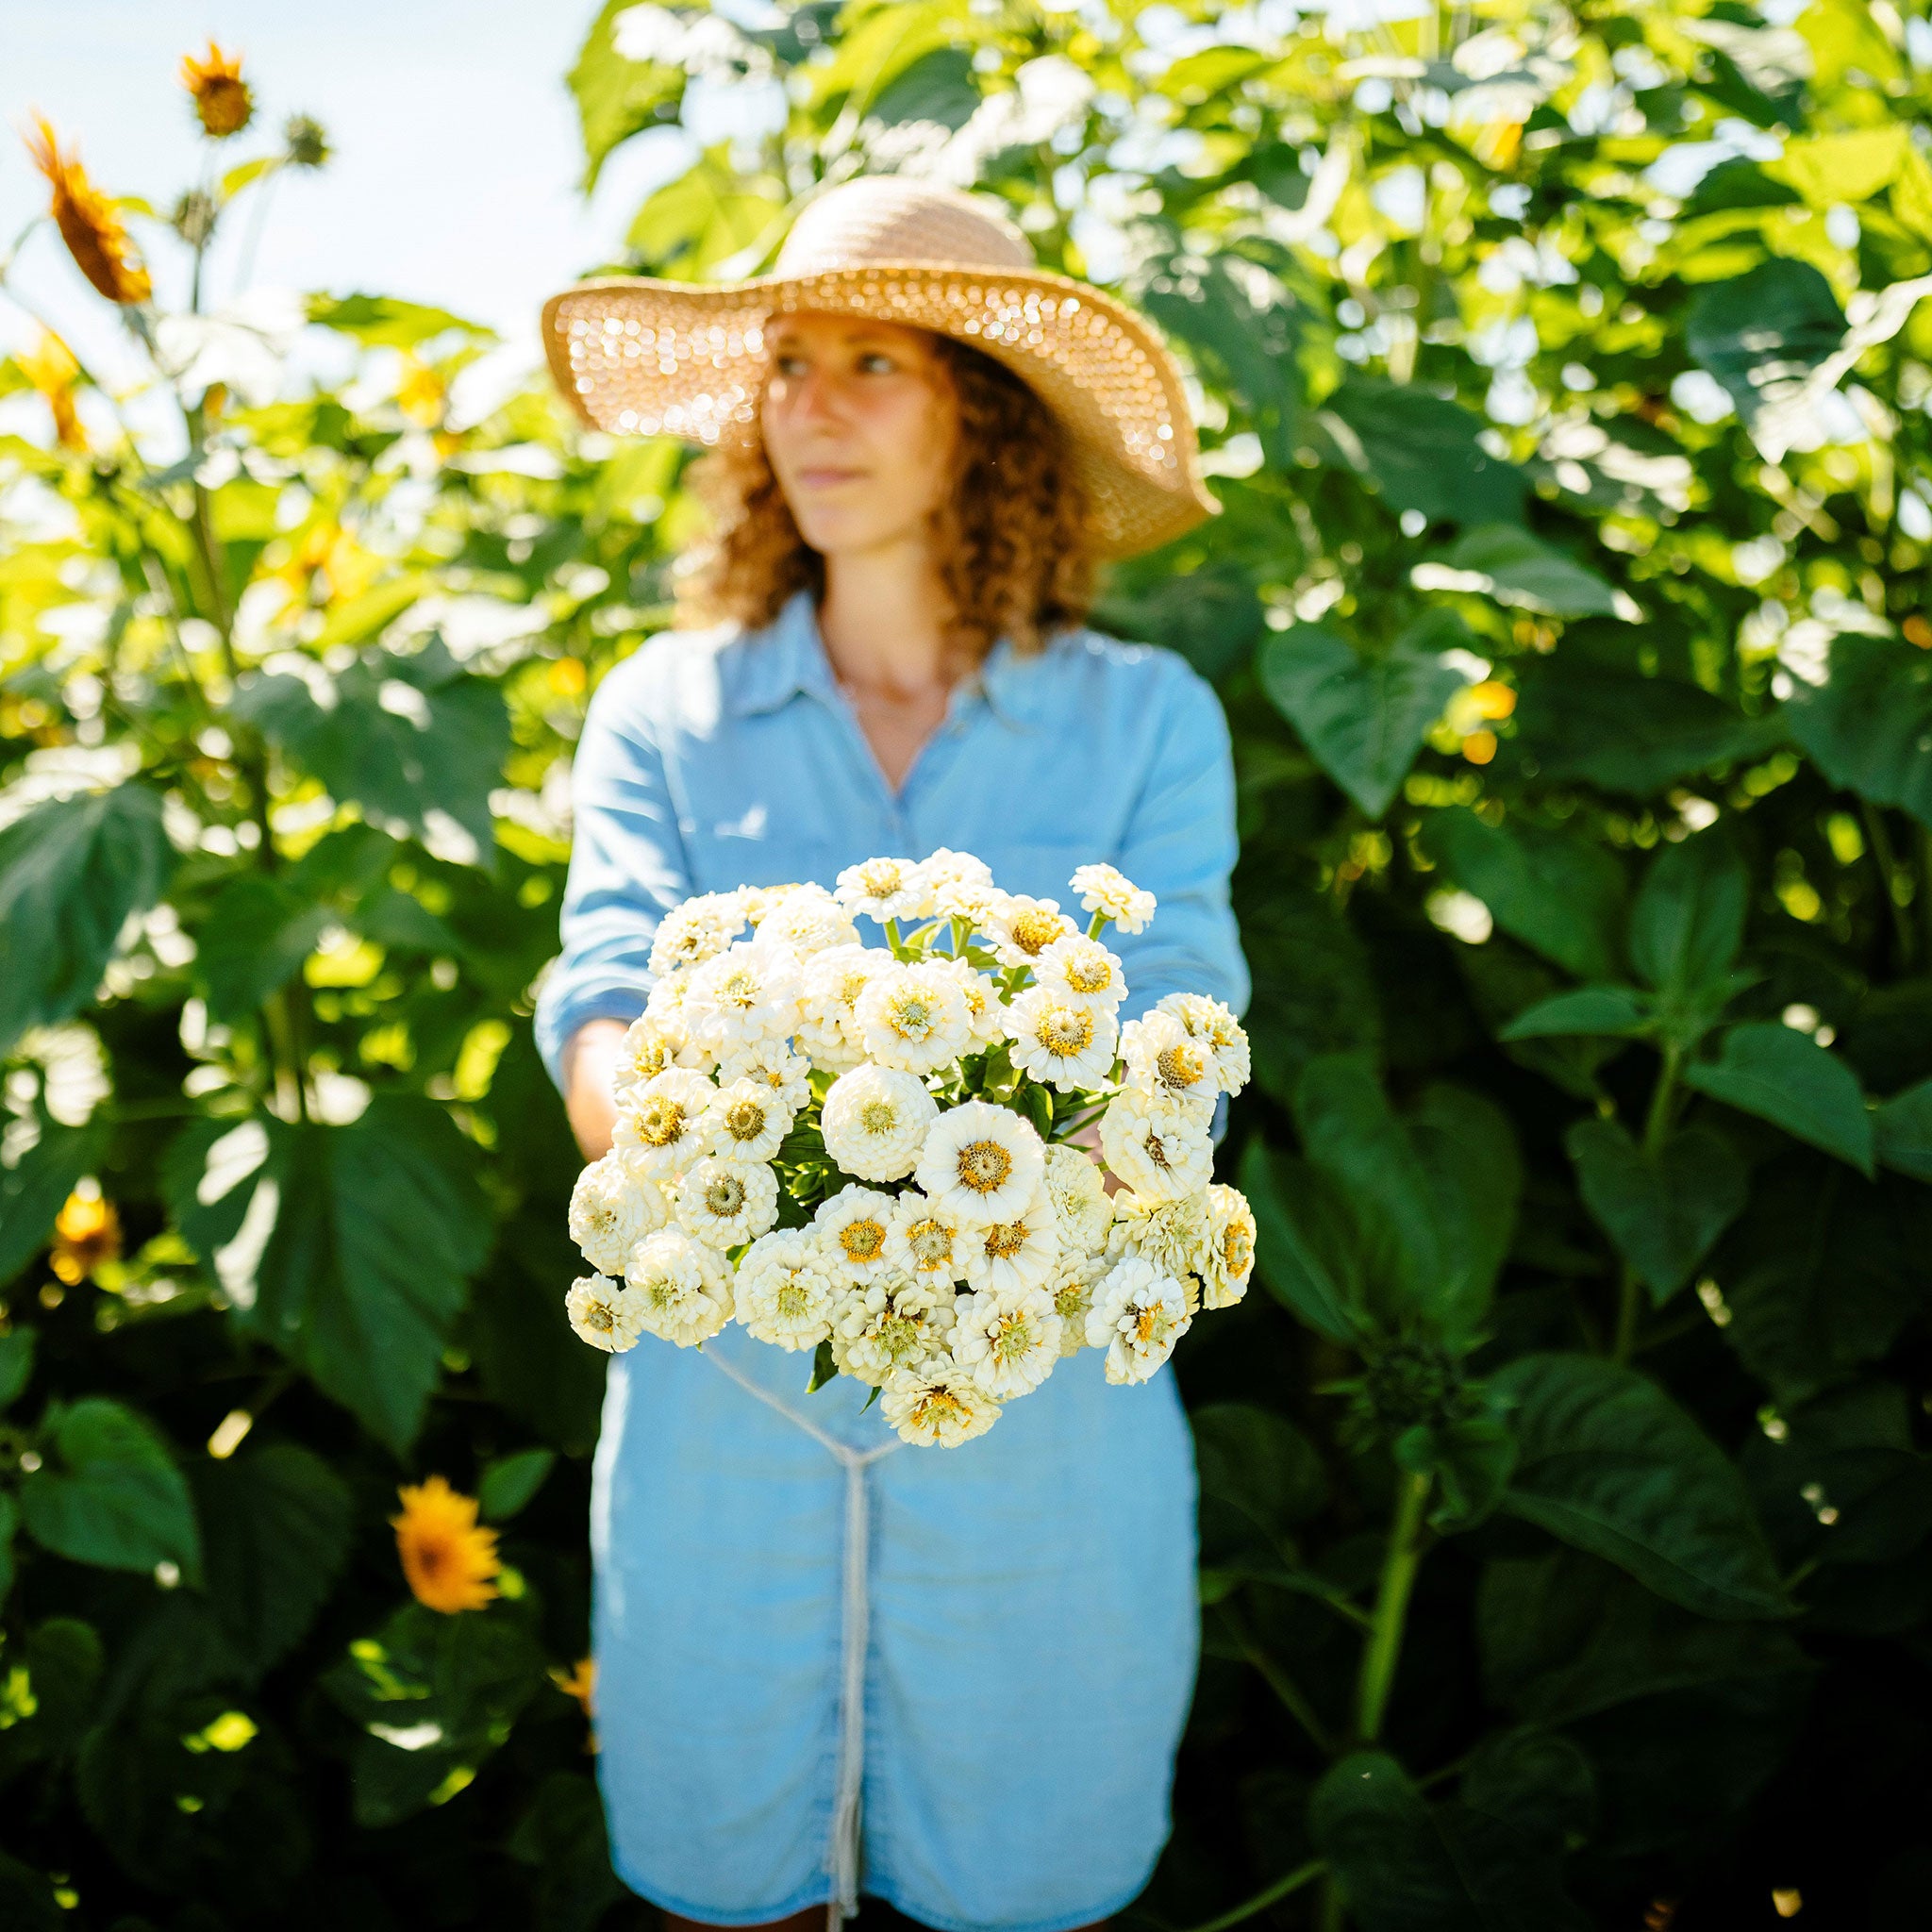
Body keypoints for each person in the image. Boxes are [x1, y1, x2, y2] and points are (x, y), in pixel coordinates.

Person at [535, 175, 1247, 1932]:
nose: (816, 406)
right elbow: (603, 982)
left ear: (986, 419)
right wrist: (678, 1172)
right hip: (728, 1420)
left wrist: (985, 1201)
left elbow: (1192, 1041)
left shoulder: (1146, 718)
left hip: (1044, 1448)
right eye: (788, 362)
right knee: (739, 1880)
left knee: (1026, 1876)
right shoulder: (666, 708)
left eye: (879, 364)